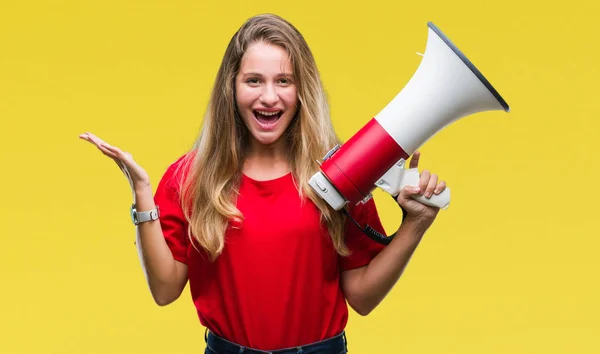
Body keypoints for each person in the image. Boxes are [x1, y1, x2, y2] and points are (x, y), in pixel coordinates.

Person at [80, 13, 447, 354]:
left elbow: (363, 298)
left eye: (283, 81)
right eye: (253, 80)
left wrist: (416, 224)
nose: (269, 97)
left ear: (302, 90)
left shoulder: (341, 174)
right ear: (232, 88)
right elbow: (164, 290)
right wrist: (142, 194)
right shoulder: (190, 178)